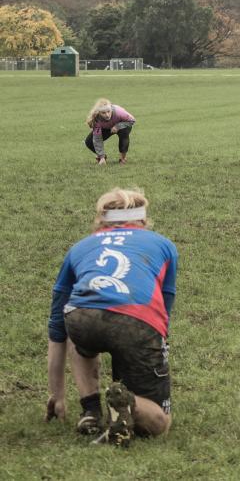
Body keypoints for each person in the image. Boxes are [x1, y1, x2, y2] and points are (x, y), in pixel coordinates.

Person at [46, 188, 177, 446]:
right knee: (160, 422)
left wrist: (57, 395)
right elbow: (165, 303)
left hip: (82, 317)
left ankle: (91, 410)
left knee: (75, 324)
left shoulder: (79, 247)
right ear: (143, 219)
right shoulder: (163, 244)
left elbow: (57, 327)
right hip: (137, 321)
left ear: (100, 219)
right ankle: (126, 403)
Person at [84, 99, 135, 165]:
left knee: (124, 133)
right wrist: (101, 156)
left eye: (108, 111)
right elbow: (97, 139)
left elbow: (132, 120)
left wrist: (118, 126)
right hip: (106, 128)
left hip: (123, 125)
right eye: (103, 113)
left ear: (111, 109)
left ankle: (122, 158)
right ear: (99, 112)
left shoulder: (118, 112)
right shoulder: (96, 119)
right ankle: (102, 157)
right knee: (89, 142)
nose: (107, 115)